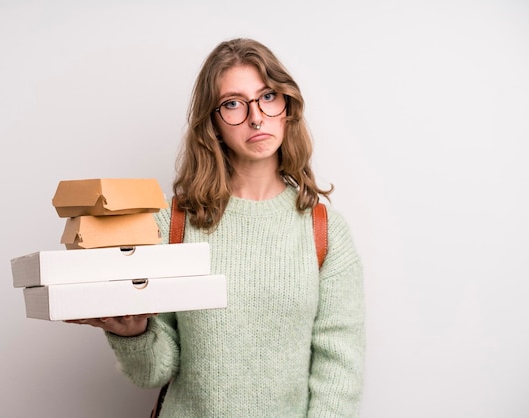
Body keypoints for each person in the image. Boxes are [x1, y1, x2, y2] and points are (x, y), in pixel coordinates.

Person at [69, 38, 365, 417]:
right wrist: (132, 334)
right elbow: (154, 372)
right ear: (212, 122)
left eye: (268, 96)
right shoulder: (172, 222)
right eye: (233, 104)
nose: (256, 117)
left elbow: (340, 370)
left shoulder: (324, 231)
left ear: (287, 107)